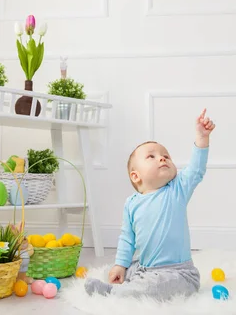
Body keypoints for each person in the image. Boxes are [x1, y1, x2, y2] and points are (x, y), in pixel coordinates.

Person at [85, 109, 215, 299]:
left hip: (178, 273)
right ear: (135, 176)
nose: (162, 158)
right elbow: (127, 238)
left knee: (154, 288)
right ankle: (126, 282)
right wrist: (120, 265)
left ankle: (118, 293)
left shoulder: (176, 190)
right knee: (131, 269)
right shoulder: (131, 203)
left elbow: (196, 169)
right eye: (151, 156)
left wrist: (202, 138)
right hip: (145, 268)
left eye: (166, 156)